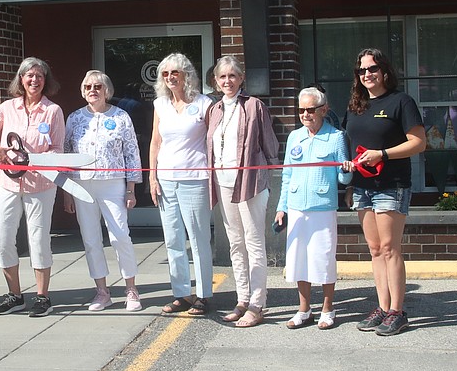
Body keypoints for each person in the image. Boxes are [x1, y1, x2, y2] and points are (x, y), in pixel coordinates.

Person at [341, 48, 426, 337]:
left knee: (390, 249)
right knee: (375, 249)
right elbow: (348, 143)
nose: (367, 74)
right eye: (361, 70)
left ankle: (397, 312)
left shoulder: (401, 102)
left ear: (385, 71)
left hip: (392, 185)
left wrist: (383, 155)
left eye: (372, 69)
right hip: (363, 188)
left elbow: (418, 143)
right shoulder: (356, 105)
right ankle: (382, 306)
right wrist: (348, 166)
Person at [0, 57, 64, 317]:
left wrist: (39, 159)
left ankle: (43, 297)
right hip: (7, 183)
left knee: (38, 239)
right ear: (20, 80)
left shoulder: (53, 111)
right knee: (2, 238)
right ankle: (14, 294)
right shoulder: (6, 108)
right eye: (29, 76)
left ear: (46, 81)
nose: (34, 80)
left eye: (39, 76)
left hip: (41, 185)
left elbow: (58, 148)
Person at [205, 56, 279, 327]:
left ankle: (258, 303)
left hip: (250, 182)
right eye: (222, 77)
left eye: (232, 76)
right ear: (216, 81)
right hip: (222, 182)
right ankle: (242, 298)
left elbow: (270, 144)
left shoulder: (254, 106)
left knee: (253, 242)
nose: (227, 81)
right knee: (235, 243)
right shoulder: (214, 110)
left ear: (241, 78)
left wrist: (267, 176)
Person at [63, 70, 143, 312]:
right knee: (90, 239)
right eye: (88, 86)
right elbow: (66, 155)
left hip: (113, 183)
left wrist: (131, 189)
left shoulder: (121, 117)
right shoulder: (75, 118)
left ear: (107, 90)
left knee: (120, 236)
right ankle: (102, 291)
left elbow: (132, 152)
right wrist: (67, 190)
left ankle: (131, 288)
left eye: (98, 86)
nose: (93, 90)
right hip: (82, 184)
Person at [276, 87, 352, 330]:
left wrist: (347, 171)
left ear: (323, 110)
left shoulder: (336, 137)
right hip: (297, 206)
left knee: (323, 258)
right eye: (301, 110)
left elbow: (343, 179)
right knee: (299, 260)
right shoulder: (294, 137)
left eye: (310, 109)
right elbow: (287, 174)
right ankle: (304, 309)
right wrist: (282, 207)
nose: (305, 114)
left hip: (323, 207)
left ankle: (328, 309)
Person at [149, 52, 214, 316]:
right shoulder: (160, 105)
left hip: (195, 180)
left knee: (199, 239)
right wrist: (152, 177)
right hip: (166, 181)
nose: (170, 77)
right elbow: (155, 142)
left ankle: (204, 295)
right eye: (165, 74)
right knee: (173, 240)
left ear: (187, 74)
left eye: (174, 72)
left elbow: (212, 142)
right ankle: (181, 293)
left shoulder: (205, 104)